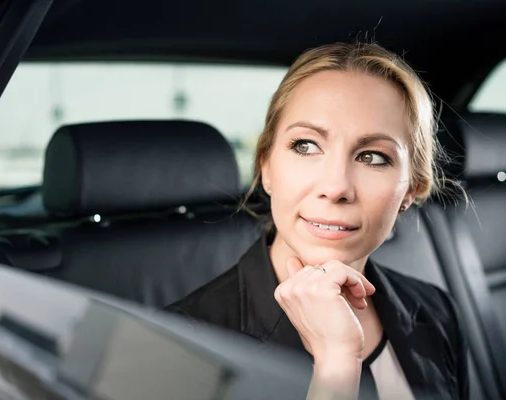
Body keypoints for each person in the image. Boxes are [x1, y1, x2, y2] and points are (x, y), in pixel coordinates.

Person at [167, 42, 469, 399]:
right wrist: (336, 366)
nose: (336, 187)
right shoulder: (178, 346)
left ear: (411, 190)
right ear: (266, 167)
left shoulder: (436, 311)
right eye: (306, 146)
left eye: (372, 156)